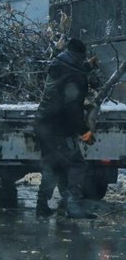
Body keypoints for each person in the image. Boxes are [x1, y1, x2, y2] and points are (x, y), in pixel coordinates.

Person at [34, 38, 97, 219]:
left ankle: (41, 206)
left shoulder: (58, 65)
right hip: (58, 127)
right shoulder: (74, 76)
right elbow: (72, 108)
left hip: (44, 124)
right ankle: (74, 207)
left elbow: (70, 75)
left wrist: (88, 67)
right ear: (79, 55)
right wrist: (84, 130)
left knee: (52, 165)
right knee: (77, 164)